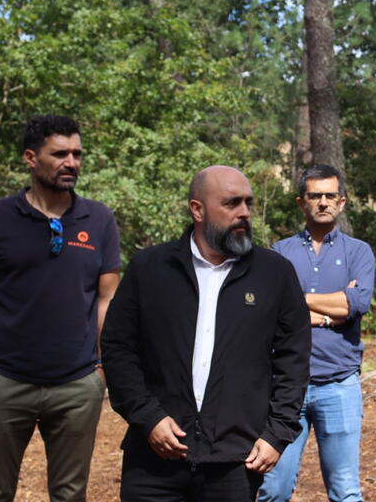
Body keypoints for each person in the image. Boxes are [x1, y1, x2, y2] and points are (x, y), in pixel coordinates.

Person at [101, 166, 311, 501]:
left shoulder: (274, 273)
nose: (244, 212)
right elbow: (117, 348)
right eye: (231, 203)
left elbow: (294, 361)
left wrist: (277, 434)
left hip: (235, 461)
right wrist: (148, 417)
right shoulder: (150, 268)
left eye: (248, 202)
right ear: (197, 210)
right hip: (152, 460)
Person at [0, 115, 120, 502]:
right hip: (4, 380)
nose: (72, 162)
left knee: (69, 495)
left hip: (76, 385)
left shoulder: (98, 219)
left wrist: (101, 369)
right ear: (31, 158)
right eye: (60, 154)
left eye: (77, 154)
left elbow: (107, 298)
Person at [259, 164, 375, 502]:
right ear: (301, 202)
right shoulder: (279, 253)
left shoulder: (358, 251)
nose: (323, 202)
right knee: (273, 490)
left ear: (342, 201)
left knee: (345, 491)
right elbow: (270, 311)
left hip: (339, 384)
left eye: (330, 195)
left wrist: (295, 301)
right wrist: (331, 311)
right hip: (284, 388)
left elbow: (357, 302)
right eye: (315, 196)